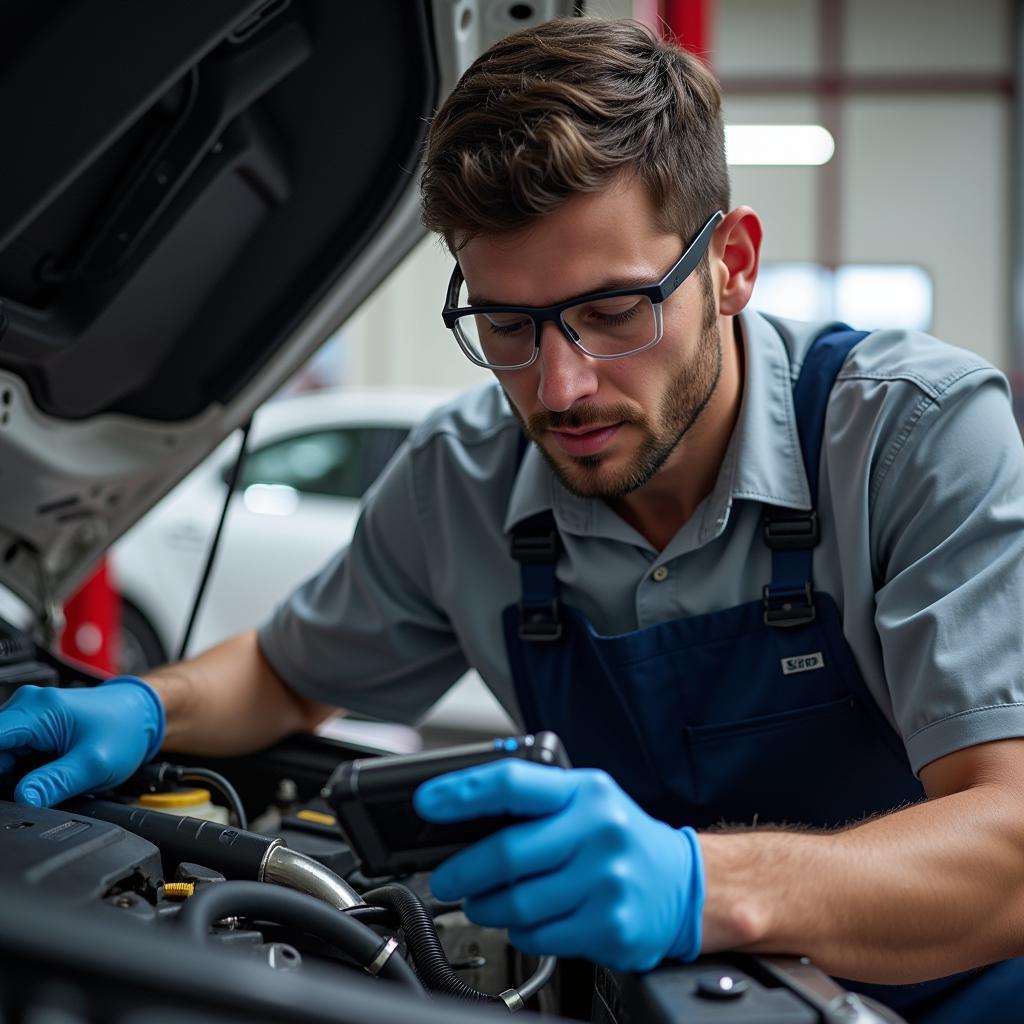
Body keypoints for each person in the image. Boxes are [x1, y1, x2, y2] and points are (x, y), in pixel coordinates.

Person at [3, 16, 1024, 1020]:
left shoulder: (911, 437)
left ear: (733, 264)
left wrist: (699, 885)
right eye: (505, 323)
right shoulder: (460, 479)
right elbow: (284, 672)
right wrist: (140, 707)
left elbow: (1011, 842)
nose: (563, 385)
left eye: (615, 311)